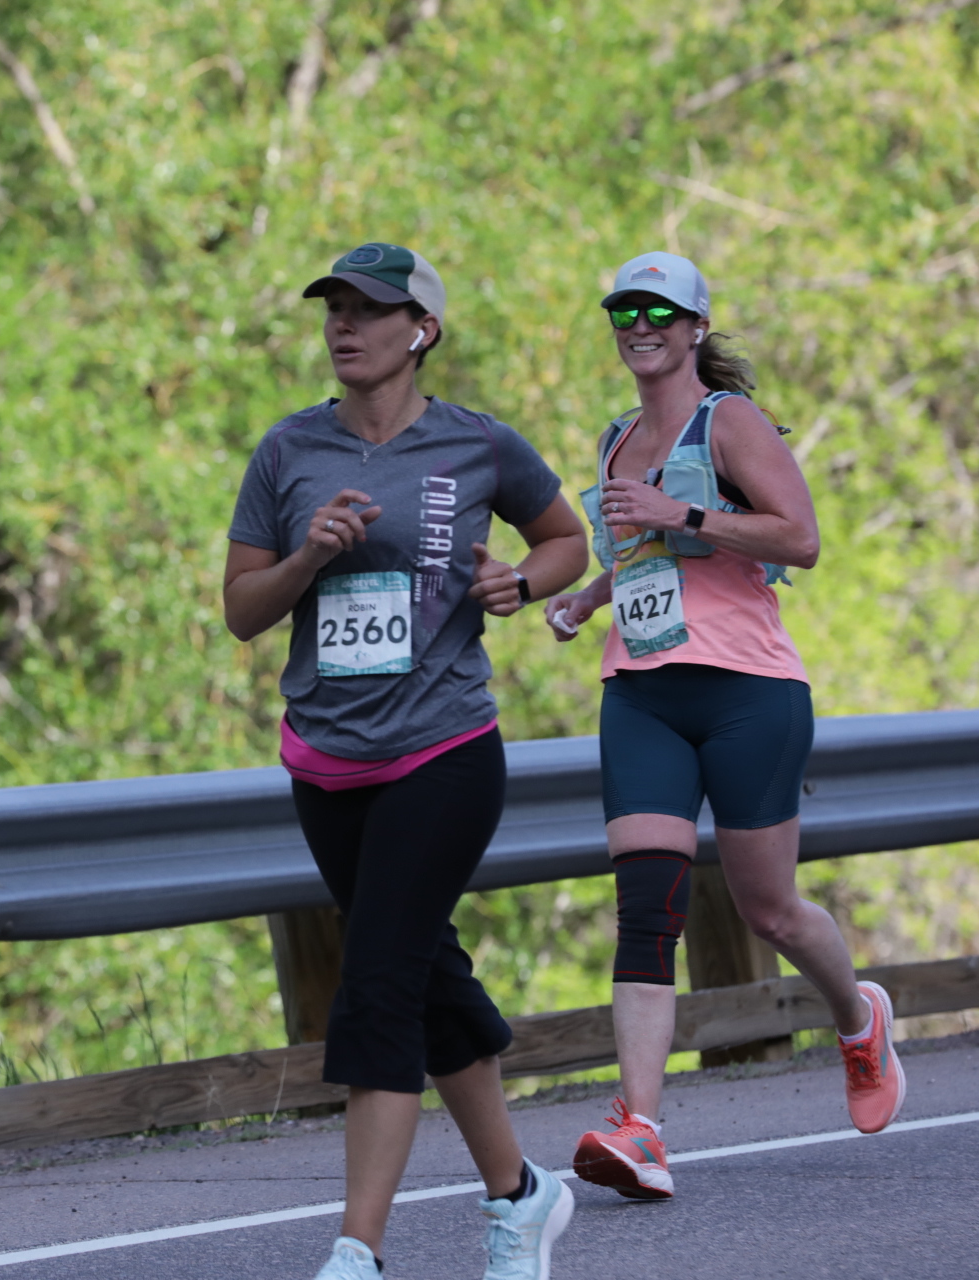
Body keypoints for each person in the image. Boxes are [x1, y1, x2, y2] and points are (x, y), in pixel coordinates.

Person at [225, 242, 588, 1280]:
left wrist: (519, 582)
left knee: (379, 982)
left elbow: (566, 541)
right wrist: (309, 555)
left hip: (444, 750)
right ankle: (521, 1195)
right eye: (333, 307)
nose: (344, 324)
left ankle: (359, 1249)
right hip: (327, 763)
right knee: (426, 975)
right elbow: (242, 610)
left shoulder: (477, 443)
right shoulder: (288, 450)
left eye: (369, 309)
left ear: (421, 330)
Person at [546, 251, 906, 1202]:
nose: (640, 326)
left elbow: (801, 539)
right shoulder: (616, 440)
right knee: (646, 905)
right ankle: (640, 1129)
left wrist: (687, 510)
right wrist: (588, 599)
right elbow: (643, 551)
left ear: (696, 327)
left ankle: (859, 1018)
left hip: (749, 691)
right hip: (642, 692)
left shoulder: (730, 421)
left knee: (768, 909)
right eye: (625, 310)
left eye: (660, 312)